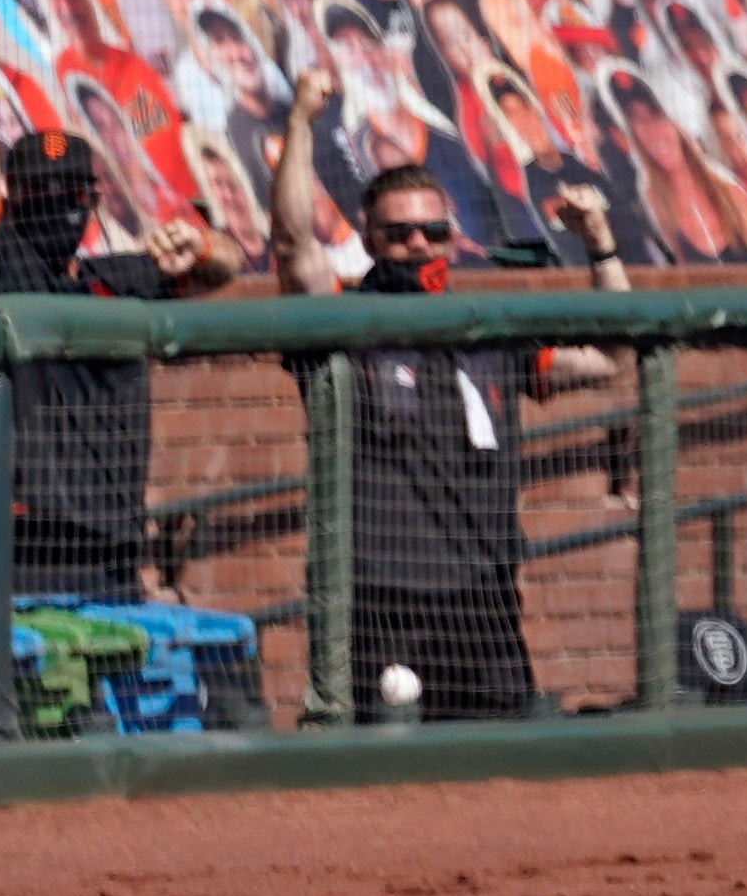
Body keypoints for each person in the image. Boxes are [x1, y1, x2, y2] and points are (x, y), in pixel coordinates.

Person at [269, 65, 630, 721]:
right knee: (377, 757)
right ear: (370, 238)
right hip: (378, 590)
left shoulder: (486, 330)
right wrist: (299, 122)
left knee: (502, 755)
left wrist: (601, 245)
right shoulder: (345, 320)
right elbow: (294, 244)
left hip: (482, 588)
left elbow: (609, 357)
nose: (417, 244)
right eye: (399, 233)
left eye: (432, 232)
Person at [0, 0, 236, 598]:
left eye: (76, 195)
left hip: (115, 549)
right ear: (16, 199)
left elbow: (227, 268)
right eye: (43, 194)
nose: (62, 208)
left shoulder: (112, 280)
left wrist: (203, 250)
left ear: (96, 200)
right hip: (19, 550)